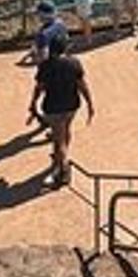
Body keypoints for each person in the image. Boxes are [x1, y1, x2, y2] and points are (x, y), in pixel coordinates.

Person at [29, 35, 95, 187]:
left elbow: (39, 88)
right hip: (72, 105)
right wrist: (90, 104)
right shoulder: (74, 63)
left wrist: (33, 104)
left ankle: (63, 169)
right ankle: (60, 157)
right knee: (65, 131)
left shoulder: (45, 66)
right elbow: (82, 85)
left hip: (53, 108)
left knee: (59, 141)